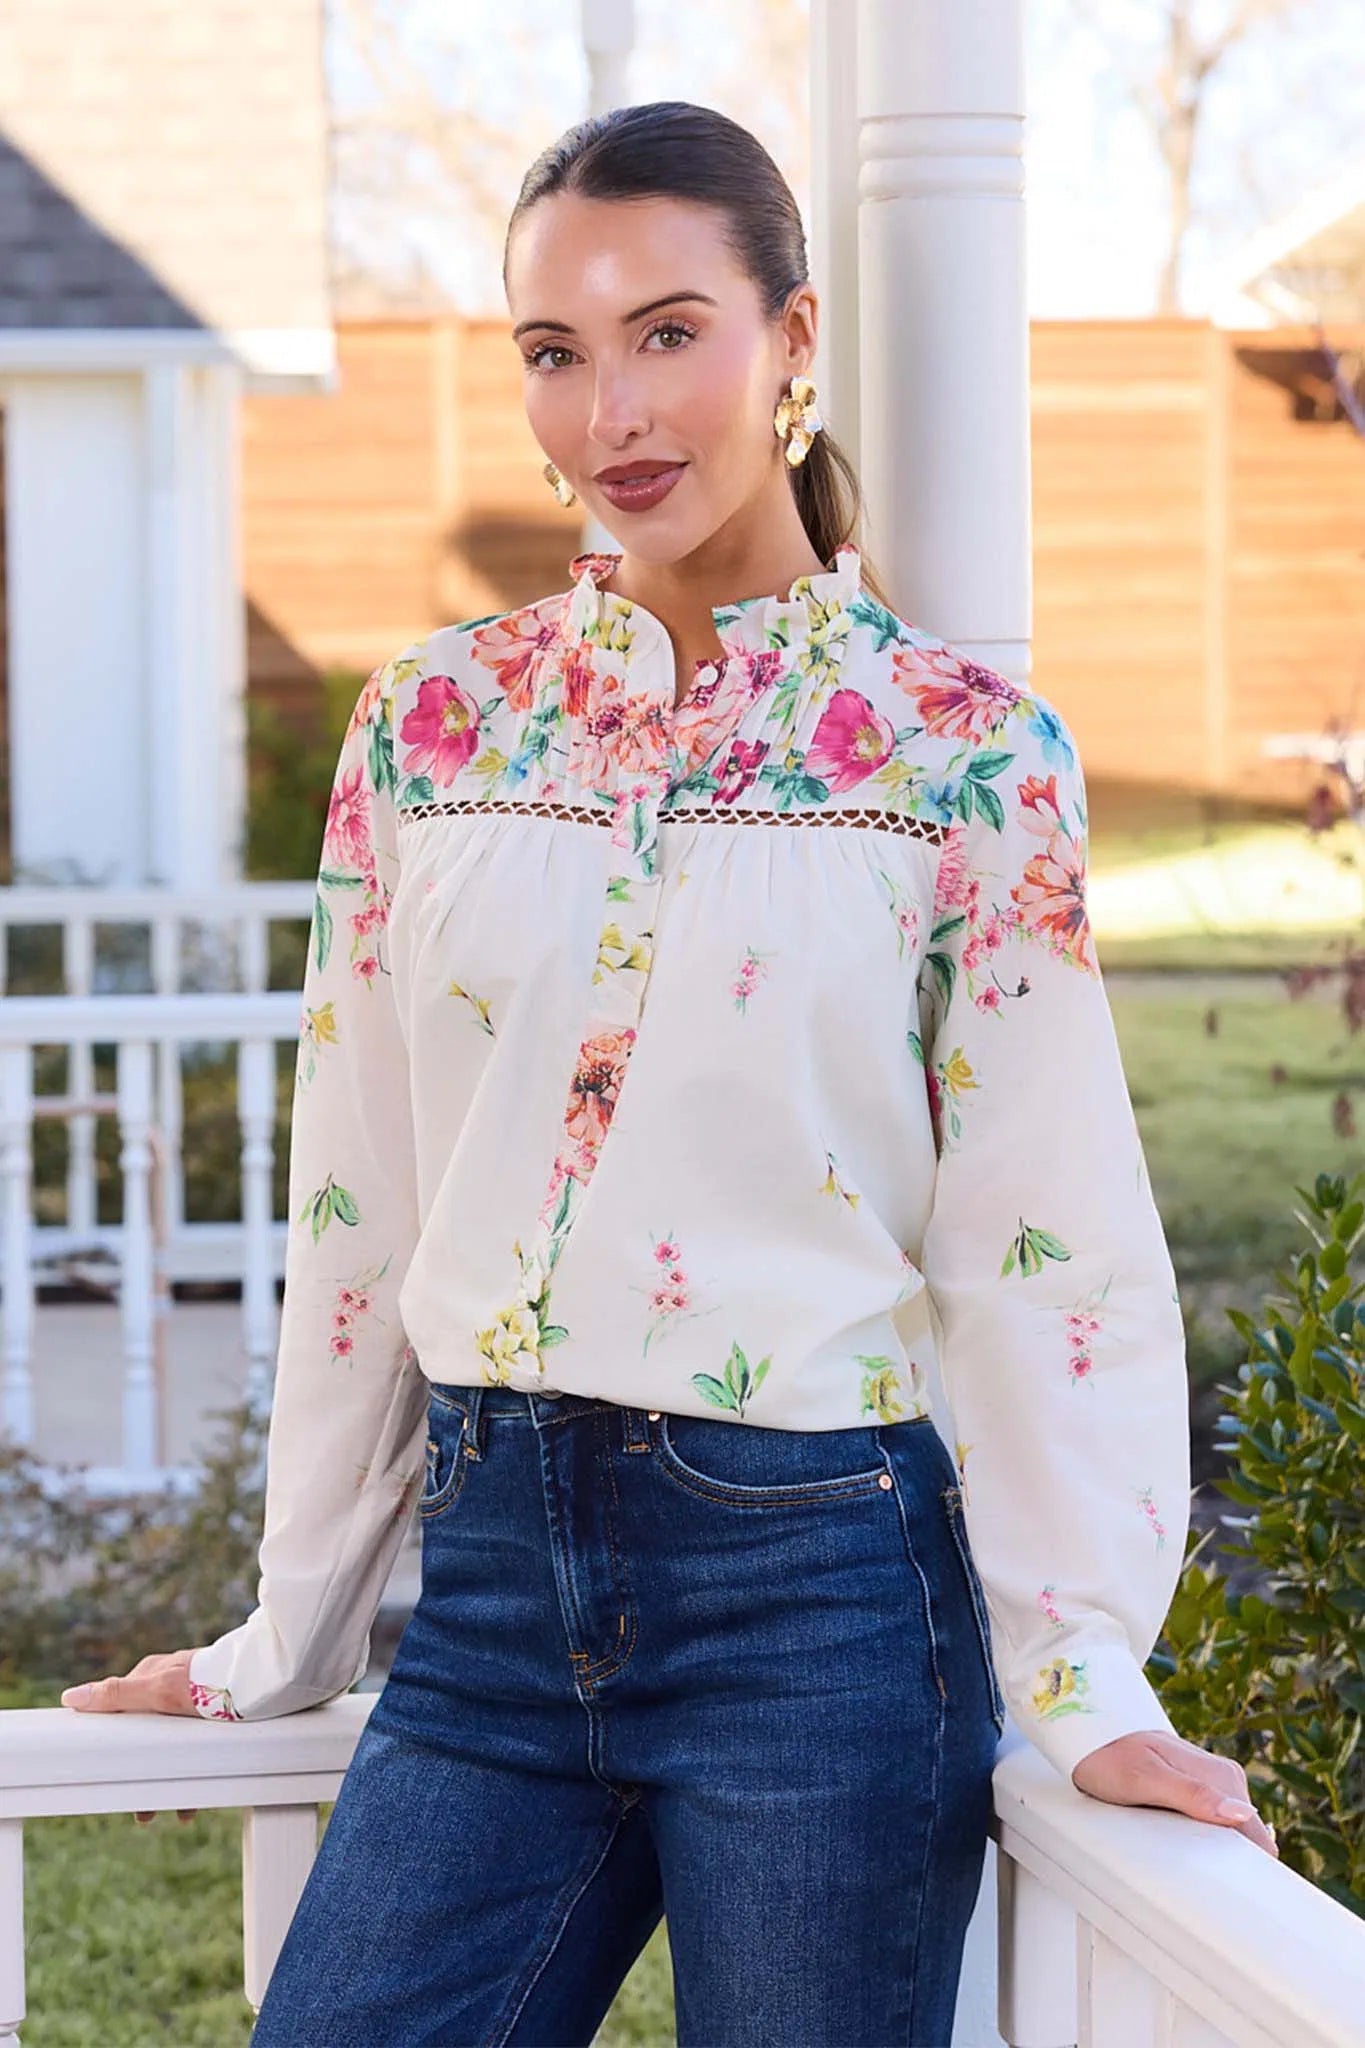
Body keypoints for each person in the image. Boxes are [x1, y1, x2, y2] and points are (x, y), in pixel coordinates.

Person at [60, 99, 1276, 2047]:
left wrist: (1086, 1683)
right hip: (486, 1597)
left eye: (667, 330)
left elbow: (1041, 1241)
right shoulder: (433, 727)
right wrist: (284, 1631)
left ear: (791, 340)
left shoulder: (956, 753)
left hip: (821, 1604)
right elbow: (357, 1201)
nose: (609, 406)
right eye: (555, 350)